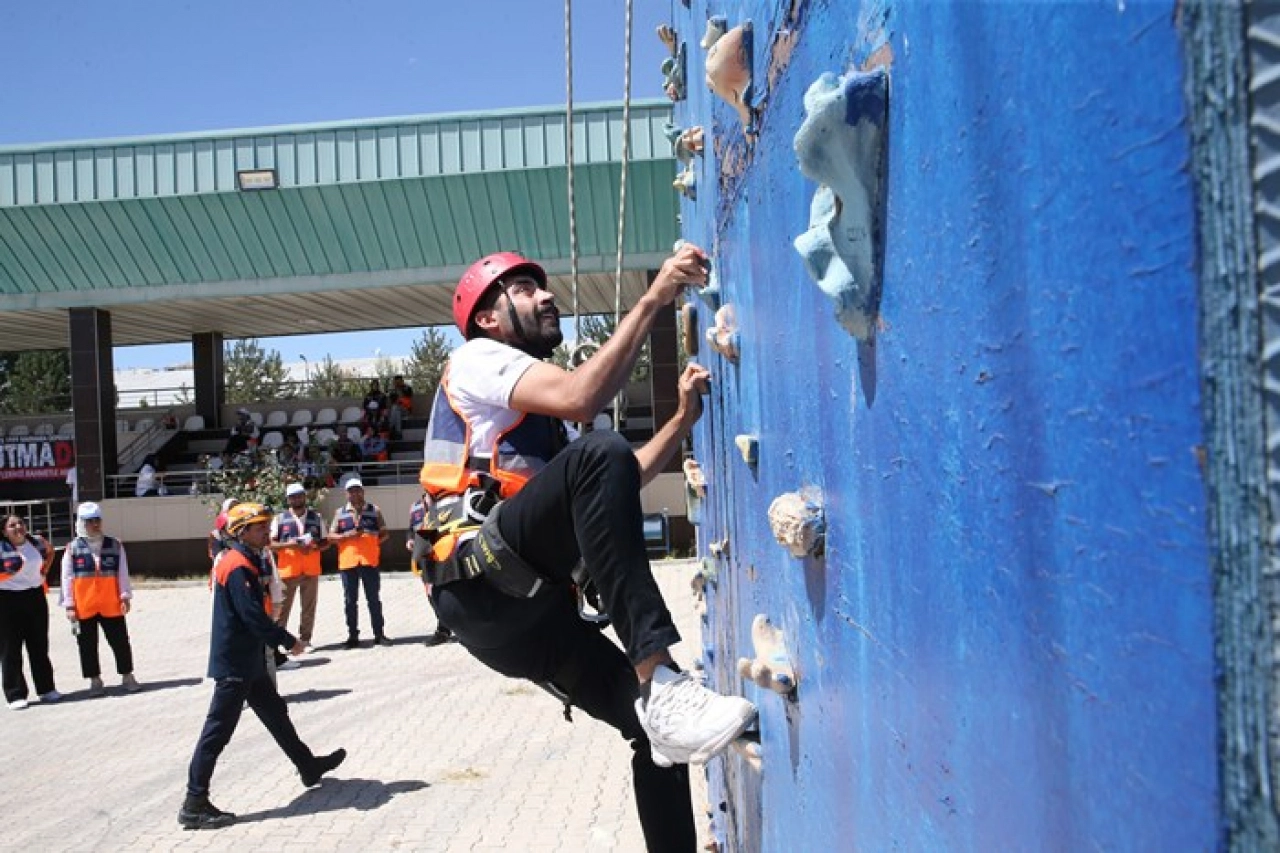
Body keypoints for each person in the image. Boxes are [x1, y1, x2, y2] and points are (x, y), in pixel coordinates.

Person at [416, 244, 755, 851]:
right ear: (489, 318)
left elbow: (624, 471)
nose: (546, 296)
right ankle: (658, 672)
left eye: (541, 287)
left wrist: (680, 420)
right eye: (523, 290)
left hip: (527, 616)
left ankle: (663, 699)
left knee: (656, 734)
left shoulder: (550, 420)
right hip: (481, 576)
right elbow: (584, 402)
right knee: (599, 451)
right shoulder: (477, 359)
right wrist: (655, 298)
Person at [179, 502, 346, 830]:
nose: (267, 532)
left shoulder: (246, 558)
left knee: (275, 714)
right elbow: (253, 616)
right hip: (234, 664)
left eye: (266, 526)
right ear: (241, 532)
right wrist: (288, 641)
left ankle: (307, 765)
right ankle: (194, 803)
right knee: (217, 732)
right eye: (259, 528)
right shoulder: (237, 564)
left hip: (248, 659)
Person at [60, 503, 140, 697]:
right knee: (87, 644)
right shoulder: (72, 549)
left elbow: (122, 572)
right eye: (90, 521)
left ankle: (127, 676)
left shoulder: (115, 545)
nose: (95, 525)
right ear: (81, 523)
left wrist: (125, 596)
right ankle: (94, 680)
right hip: (84, 606)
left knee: (120, 641)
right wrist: (69, 604)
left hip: (111, 604)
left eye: (97, 520)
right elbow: (67, 578)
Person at [0, 515, 60, 709]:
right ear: (4, 531)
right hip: (7, 600)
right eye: (12, 525)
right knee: (10, 649)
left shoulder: (37, 543)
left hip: (35, 598)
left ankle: (46, 689)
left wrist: (44, 573)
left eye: (20, 523)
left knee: (39, 645)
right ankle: (15, 694)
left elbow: (50, 552)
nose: (18, 527)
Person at [329, 476, 389, 648]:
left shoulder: (374, 510)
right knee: (350, 601)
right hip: (348, 563)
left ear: (363, 491)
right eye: (351, 490)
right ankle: (353, 636)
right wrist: (346, 536)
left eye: (358, 489)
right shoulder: (339, 513)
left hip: (369, 561)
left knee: (374, 600)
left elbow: (385, 533)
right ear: (346, 494)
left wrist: (373, 543)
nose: (355, 493)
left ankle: (379, 634)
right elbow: (331, 537)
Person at [269, 483, 330, 653]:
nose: (297, 499)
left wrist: (315, 547)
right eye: (293, 496)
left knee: (309, 607)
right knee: (282, 609)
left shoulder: (316, 517)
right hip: (288, 570)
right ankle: (280, 643)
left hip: (310, 569)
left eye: (299, 495)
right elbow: (271, 544)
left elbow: (325, 542)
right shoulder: (279, 519)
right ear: (288, 499)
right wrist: (291, 544)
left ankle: (305, 640)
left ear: (304, 496)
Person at [406, 496, 452, 648]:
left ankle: (446, 628)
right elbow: (411, 528)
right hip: (423, 556)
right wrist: (409, 540)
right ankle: (444, 628)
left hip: (442, 554)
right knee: (431, 594)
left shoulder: (444, 500)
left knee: (445, 591)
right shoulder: (415, 506)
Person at [387, 375, 414, 439]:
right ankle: (398, 432)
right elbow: (392, 402)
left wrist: (399, 399)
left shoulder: (407, 388)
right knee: (396, 410)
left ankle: (391, 427)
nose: (398, 383)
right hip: (397, 411)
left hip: (406, 411)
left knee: (395, 408)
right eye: (396, 382)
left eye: (399, 382)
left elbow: (408, 398)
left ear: (402, 381)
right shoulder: (393, 390)